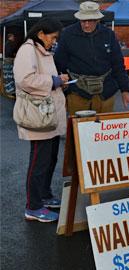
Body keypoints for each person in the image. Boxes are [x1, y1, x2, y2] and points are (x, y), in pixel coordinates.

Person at [13, 18, 69, 222]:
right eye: (52, 37)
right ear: (41, 34)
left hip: (47, 116)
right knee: (39, 162)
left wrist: (58, 82)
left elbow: (41, 79)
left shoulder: (41, 50)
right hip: (39, 117)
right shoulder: (28, 50)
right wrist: (53, 81)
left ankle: (44, 196)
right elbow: (25, 80)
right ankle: (33, 206)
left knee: (49, 159)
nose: (54, 41)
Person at [54, 1, 129, 115]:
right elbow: (59, 62)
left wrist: (125, 90)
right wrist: (63, 89)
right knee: (78, 129)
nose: (87, 24)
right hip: (77, 92)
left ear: (98, 19)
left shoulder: (108, 34)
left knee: (103, 129)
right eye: (83, 20)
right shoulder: (67, 34)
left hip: (105, 92)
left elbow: (118, 64)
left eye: (91, 20)